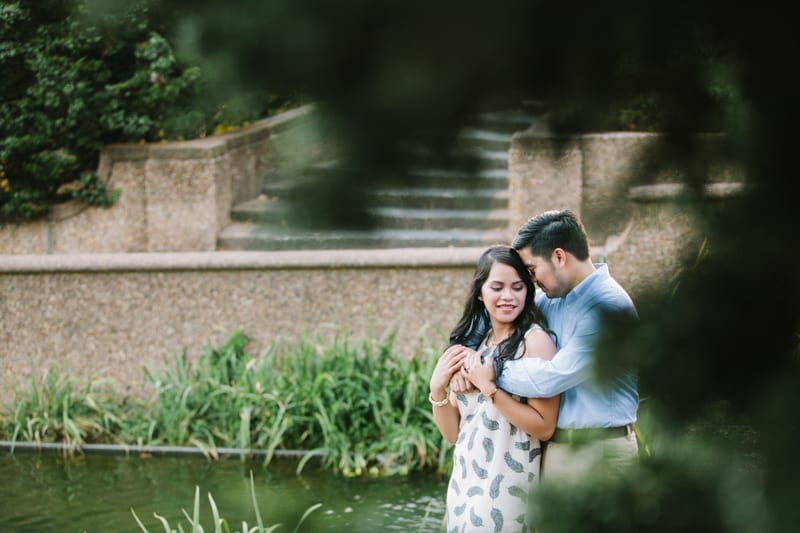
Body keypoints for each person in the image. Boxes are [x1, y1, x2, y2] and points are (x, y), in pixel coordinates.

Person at [461, 209, 640, 482]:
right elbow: (492, 316)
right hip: (556, 451)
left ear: (559, 257)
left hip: (603, 450)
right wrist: (460, 358)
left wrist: (491, 372)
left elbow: (554, 377)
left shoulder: (608, 305)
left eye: (532, 270)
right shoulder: (550, 299)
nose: (531, 280)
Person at [429, 245, 560, 532]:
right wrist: (437, 389)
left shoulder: (535, 343)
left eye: (517, 287)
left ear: (528, 290)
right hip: (465, 485)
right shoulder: (477, 343)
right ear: (480, 292)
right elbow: (453, 434)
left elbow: (544, 427)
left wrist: (490, 389)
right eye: (497, 287)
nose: (508, 296)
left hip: (507, 488)